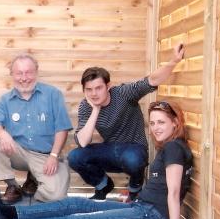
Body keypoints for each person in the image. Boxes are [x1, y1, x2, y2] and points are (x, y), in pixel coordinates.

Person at [0, 101, 195, 219]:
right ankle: (9, 212)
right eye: (153, 122)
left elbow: (173, 193)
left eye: (162, 122)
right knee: (74, 204)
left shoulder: (175, 148)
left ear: (176, 122)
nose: (156, 127)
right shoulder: (170, 147)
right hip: (141, 209)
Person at [67, 43, 185, 200]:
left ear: (108, 86)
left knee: (133, 159)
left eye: (98, 88)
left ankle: (135, 190)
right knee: (75, 156)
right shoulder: (86, 106)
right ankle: (103, 186)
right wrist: (95, 109)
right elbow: (83, 142)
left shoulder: (123, 94)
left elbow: (152, 80)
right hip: (109, 150)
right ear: (84, 90)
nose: (94, 93)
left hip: (134, 149)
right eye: (89, 90)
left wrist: (174, 61)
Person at [0, 53, 73, 204]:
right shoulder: (4, 100)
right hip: (18, 152)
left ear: (36, 72)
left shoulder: (53, 94)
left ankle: (33, 180)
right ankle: (13, 186)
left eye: (28, 72)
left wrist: (53, 156)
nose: (24, 78)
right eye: (19, 73)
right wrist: (2, 133)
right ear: (12, 74)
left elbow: (62, 128)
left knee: (57, 196)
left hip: (45, 156)